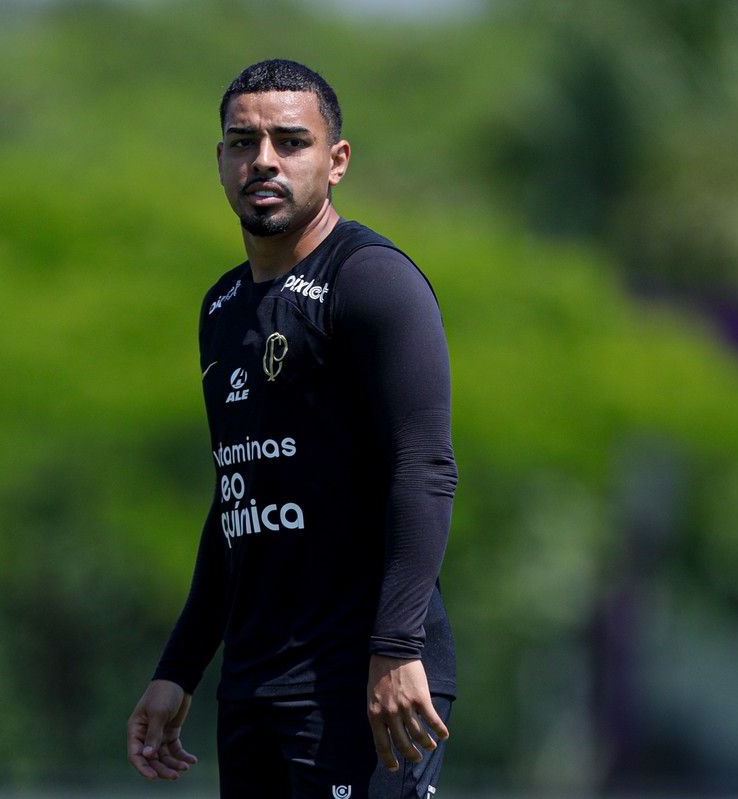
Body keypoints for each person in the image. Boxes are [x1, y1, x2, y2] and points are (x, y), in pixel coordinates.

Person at [127, 59, 458, 799]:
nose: (263, 159)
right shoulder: (222, 307)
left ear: (335, 161)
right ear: (220, 161)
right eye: (243, 142)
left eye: (290, 140)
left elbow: (426, 465)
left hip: (365, 673)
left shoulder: (371, 281)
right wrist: (179, 668)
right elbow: (239, 497)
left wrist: (397, 646)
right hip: (253, 682)